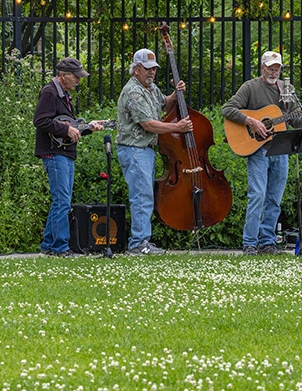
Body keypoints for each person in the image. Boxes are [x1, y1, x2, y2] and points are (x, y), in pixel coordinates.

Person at [222, 51, 302, 255]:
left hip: (280, 149)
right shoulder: (250, 87)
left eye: (277, 68)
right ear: (262, 67)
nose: (274, 71)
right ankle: (249, 242)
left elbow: (293, 120)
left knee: (274, 198)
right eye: (271, 67)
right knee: (257, 195)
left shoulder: (286, 89)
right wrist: (252, 121)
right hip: (257, 150)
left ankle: (267, 242)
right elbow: (228, 109)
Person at [116, 48, 193, 255]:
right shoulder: (133, 91)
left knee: (145, 195)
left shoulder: (150, 88)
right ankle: (138, 243)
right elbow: (148, 124)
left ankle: (142, 241)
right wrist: (178, 127)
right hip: (135, 149)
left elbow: (164, 104)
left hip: (144, 150)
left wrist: (176, 94)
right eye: (148, 69)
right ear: (137, 69)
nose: (152, 73)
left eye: (154, 69)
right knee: (142, 196)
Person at [34, 57, 103, 257]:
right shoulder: (50, 92)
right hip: (54, 154)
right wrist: (66, 128)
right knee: (62, 201)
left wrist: (89, 127)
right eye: (76, 77)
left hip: (64, 153)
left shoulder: (64, 95)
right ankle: (60, 247)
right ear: (63, 75)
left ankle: (49, 245)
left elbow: (69, 128)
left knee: (61, 200)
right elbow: (40, 120)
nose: (78, 81)